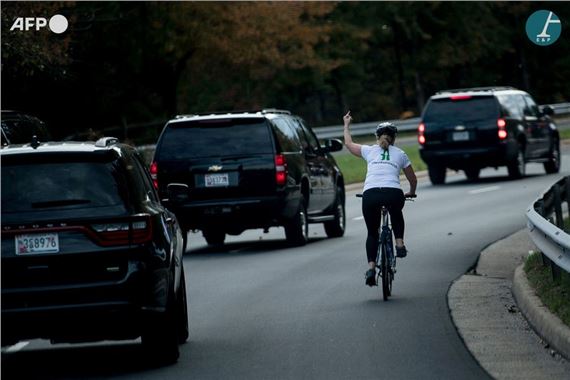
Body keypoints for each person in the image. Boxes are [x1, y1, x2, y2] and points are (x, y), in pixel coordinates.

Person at [343, 111, 417, 286]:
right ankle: (399, 244)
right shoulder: (400, 153)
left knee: (372, 232)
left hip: (371, 195)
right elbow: (412, 178)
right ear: (394, 138)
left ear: (377, 137)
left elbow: (348, 143)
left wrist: (346, 124)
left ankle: (371, 267)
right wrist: (411, 191)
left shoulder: (369, 151)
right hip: (393, 193)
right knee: (396, 212)